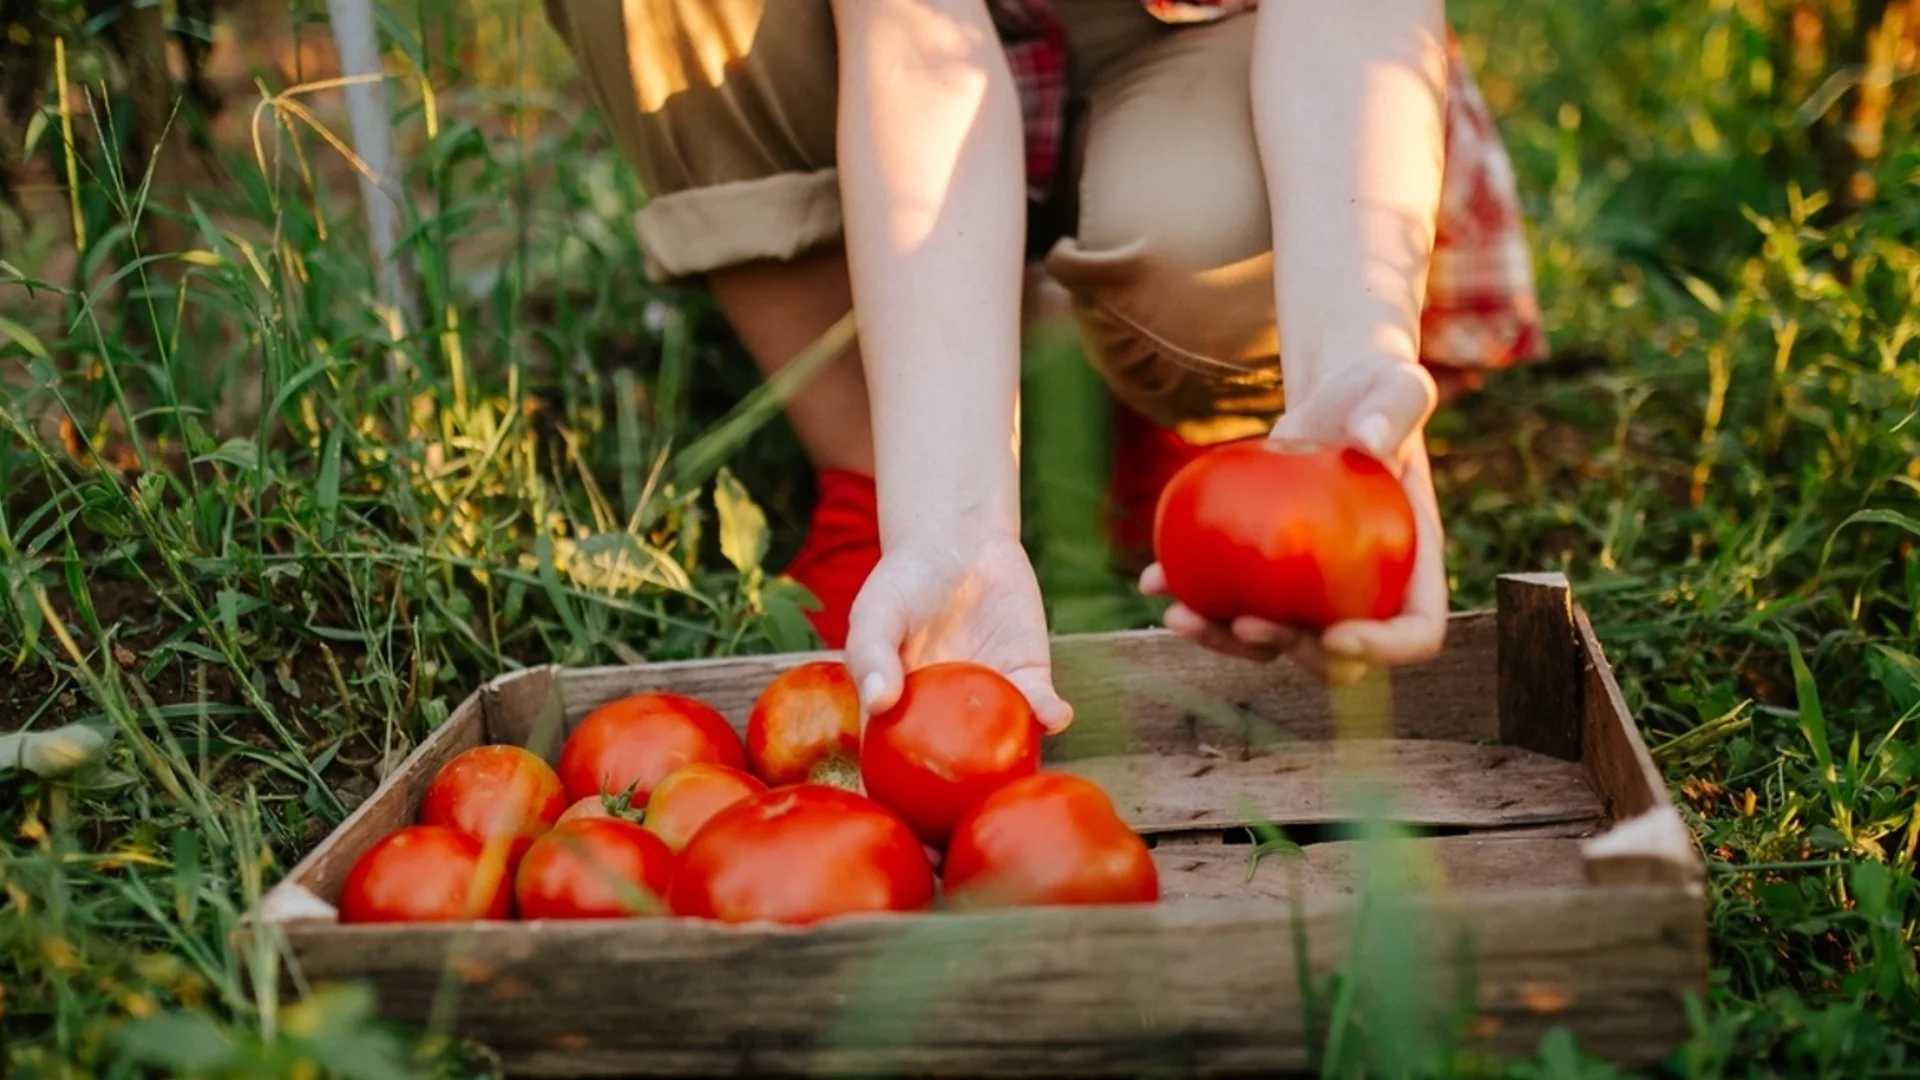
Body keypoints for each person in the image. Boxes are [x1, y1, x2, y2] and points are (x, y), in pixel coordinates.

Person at [541, 0, 1545, 731]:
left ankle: (1182, 419)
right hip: (891, 46)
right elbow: (918, 44)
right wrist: (949, 523)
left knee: (1203, 232)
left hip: (1206, 35)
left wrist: (1349, 363)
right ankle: (874, 479)